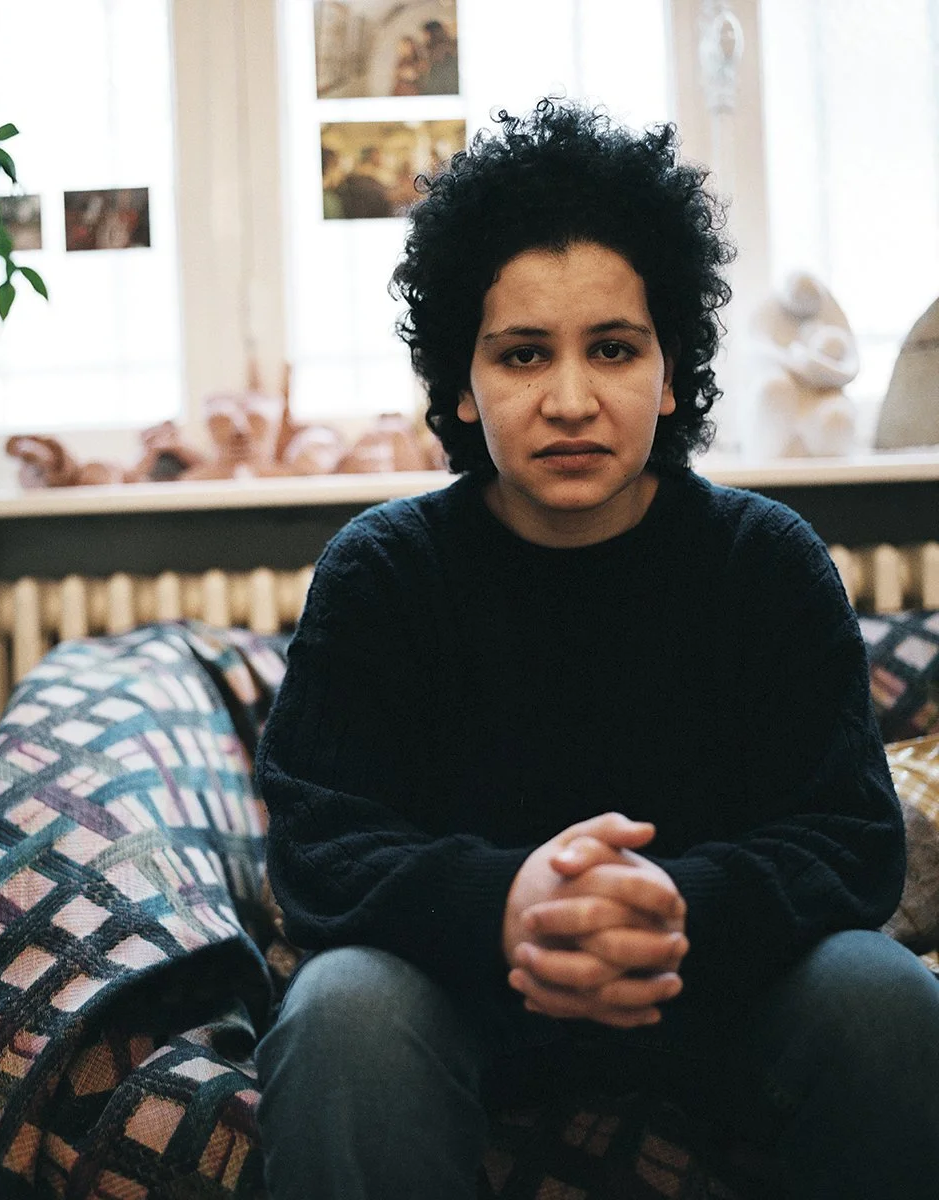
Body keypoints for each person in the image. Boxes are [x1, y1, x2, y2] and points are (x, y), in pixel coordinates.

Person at [253, 98, 939, 1199]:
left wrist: (678, 907)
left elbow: (852, 844)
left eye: (612, 348)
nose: (570, 399)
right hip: (462, 994)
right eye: (523, 354)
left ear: (671, 375)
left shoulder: (767, 564)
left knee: (889, 999)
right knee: (343, 1011)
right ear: (462, 388)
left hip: (725, 995)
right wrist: (509, 904)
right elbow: (321, 848)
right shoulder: (382, 572)